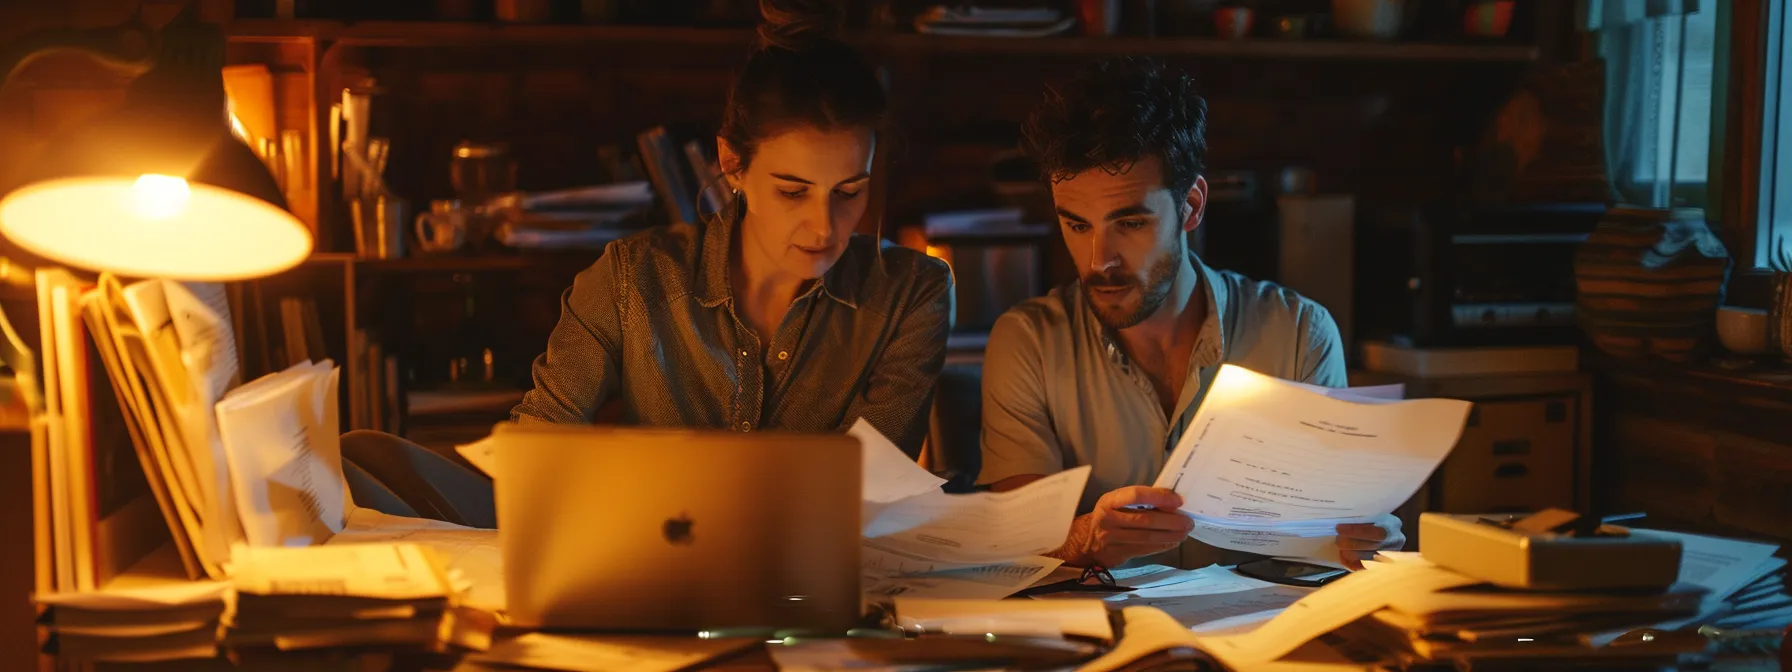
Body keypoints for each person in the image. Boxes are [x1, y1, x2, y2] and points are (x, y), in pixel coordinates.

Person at [977, 57, 1400, 570]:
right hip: (1100, 637)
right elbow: (1015, 540)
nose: (1098, 261)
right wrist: (1083, 537)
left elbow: (1325, 548)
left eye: (1129, 223)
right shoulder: (1030, 343)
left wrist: (1360, 538)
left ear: (1192, 206)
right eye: (1076, 225)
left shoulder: (1298, 335)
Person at [508, 0, 953, 457]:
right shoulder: (632, 280)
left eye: (847, 191)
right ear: (732, 163)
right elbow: (537, 447)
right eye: (793, 191)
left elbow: (866, 484)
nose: (825, 226)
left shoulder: (911, 295)